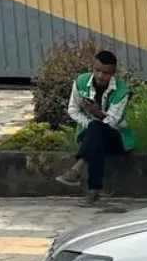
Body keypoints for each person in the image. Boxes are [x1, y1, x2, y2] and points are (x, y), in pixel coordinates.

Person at [55, 50, 134, 202]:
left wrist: (97, 113)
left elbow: (112, 121)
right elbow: (72, 109)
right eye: (97, 70)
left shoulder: (122, 91)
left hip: (116, 138)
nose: (100, 76)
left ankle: (77, 170)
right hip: (91, 134)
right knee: (95, 134)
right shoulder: (81, 82)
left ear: (113, 73)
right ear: (93, 68)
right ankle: (93, 190)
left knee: (97, 131)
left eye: (106, 73)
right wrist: (89, 122)